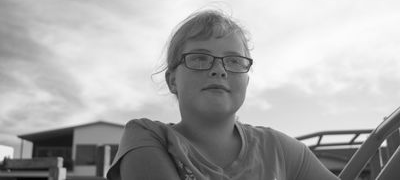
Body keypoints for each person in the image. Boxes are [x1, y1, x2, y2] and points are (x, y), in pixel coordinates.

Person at [106, 9, 339, 180]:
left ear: (246, 81)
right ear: (172, 80)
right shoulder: (147, 137)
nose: (219, 69)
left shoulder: (281, 149)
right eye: (199, 58)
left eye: (234, 61)